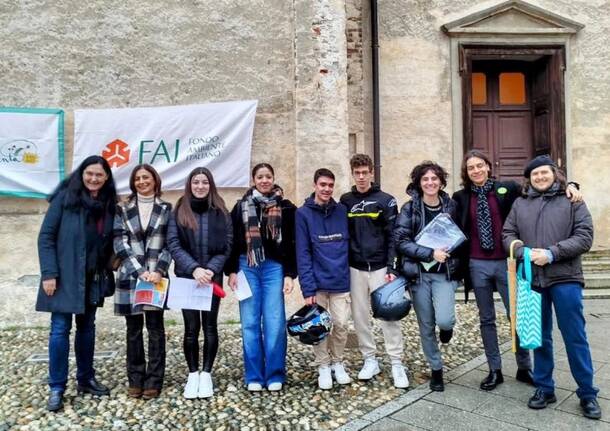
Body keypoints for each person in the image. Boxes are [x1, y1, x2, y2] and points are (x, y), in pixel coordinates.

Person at [452, 150, 582, 391]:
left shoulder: (508, 188)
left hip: (509, 262)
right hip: (476, 263)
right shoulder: (460, 197)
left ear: (488, 167)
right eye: (471, 168)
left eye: (480, 165)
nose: (476, 170)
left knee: (518, 316)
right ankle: (494, 369)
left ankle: (524, 367)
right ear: (466, 173)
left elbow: (541, 189)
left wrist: (570, 185)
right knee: (486, 318)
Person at [503, 155, 601, 420]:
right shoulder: (520, 203)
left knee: (575, 337)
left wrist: (552, 253)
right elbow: (507, 234)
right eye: (535, 175)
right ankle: (545, 388)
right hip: (533, 279)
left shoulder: (572, 201)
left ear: (555, 174)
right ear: (530, 178)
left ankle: (587, 393)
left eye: (544, 173)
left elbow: (584, 236)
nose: (540, 177)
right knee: (540, 336)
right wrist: (522, 251)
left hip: (565, 277)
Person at [37, 155, 117, 412]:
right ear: (81, 174)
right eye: (90, 173)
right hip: (63, 276)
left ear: (106, 179)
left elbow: (109, 239)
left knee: (87, 330)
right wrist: (49, 273)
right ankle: (57, 387)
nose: (94, 179)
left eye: (99, 175)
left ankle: (85, 379)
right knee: (59, 330)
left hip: (92, 277)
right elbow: (46, 237)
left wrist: (113, 261)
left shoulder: (107, 204)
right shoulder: (64, 198)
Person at [225, 163, 296, 392]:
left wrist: (289, 274)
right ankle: (254, 375)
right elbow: (232, 240)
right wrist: (232, 270)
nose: (264, 180)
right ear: (253, 179)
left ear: (273, 179)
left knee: (275, 323)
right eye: (260, 177)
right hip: (247, 266)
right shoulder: (241, 207)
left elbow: (292, 243)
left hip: (274, 269)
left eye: (268, 176)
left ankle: (275, 373)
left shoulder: (285, 208)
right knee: (250, 323)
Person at [339, 154, 408, 388]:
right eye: (356, 172)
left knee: (388, 315)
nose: (360, 177)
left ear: (372, 173)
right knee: (359, 318)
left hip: (380, 267)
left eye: (364, 172)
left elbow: (393, 237)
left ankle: (397, 362)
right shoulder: (345, 201)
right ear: (352, 173)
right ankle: (370, 359)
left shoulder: (386, 200)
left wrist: (391, 266)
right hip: (355, 268)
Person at [393, 161, 460, 392]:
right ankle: (436, 369)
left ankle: (447, 328)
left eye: (434, 179)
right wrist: (430, 253)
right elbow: (401, 241)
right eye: (425, 179)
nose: (430, 183)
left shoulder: (452, 206)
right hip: (419, 274)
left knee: (444, 319)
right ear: (419, 183)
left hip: (445, 273)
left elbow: (461, 236)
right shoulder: (409, 209)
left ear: (441, 182)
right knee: (426, 324)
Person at [167, 167, 232, 399]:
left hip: (211, 279)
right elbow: (174, 244)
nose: (200, 186)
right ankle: (192, 373)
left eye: (205, 182)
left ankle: (206, 374)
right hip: (188, 278)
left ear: (210, 185)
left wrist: (210, 270)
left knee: (210, 327)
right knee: (191, 329)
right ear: (190, 184)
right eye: (196, 182)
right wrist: (194, 269)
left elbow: (227, 245)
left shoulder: (221, 210)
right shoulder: (180, 209)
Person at [113, 164, 172, 399]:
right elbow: (119, 242)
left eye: (146, 177)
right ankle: (135, 378)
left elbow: (171, 242)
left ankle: (154, 380)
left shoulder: (167, 208)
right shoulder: (123, 208)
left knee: (156, 329)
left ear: (155, 181)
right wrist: (139, 271)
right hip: (131, 277)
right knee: (134, 330)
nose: (141, 181)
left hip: (157, 279)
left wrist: (159, 270)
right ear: (132, 182)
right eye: (137, 178)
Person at [296, 168, 351, 390]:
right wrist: (307, 288)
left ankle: (337, 362)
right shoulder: (303, 214)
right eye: (323, 185)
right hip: (317, 283)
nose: (327, 189)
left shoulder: (342, 211)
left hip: (340, 280)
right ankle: (323, 365)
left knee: (340, 324)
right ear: (315, 185)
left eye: (330, 185)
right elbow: (303, 252)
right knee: (319, 328)